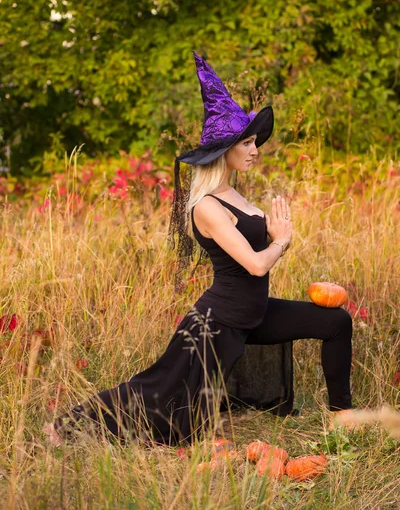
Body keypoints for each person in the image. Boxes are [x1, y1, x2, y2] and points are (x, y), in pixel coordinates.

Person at [44, 52, 354, 447]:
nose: (255, 148)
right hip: (218, 321)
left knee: (335, 322)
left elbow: (257, 259)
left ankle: (342, 416)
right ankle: (63, 429)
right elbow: (257, 266)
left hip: (252, 315)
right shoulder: (207, 205)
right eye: (247, 142)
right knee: (157, 391)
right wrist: (281, 241)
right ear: (224, 151)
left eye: (255, 141)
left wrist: (276, 238)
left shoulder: (234, 193)